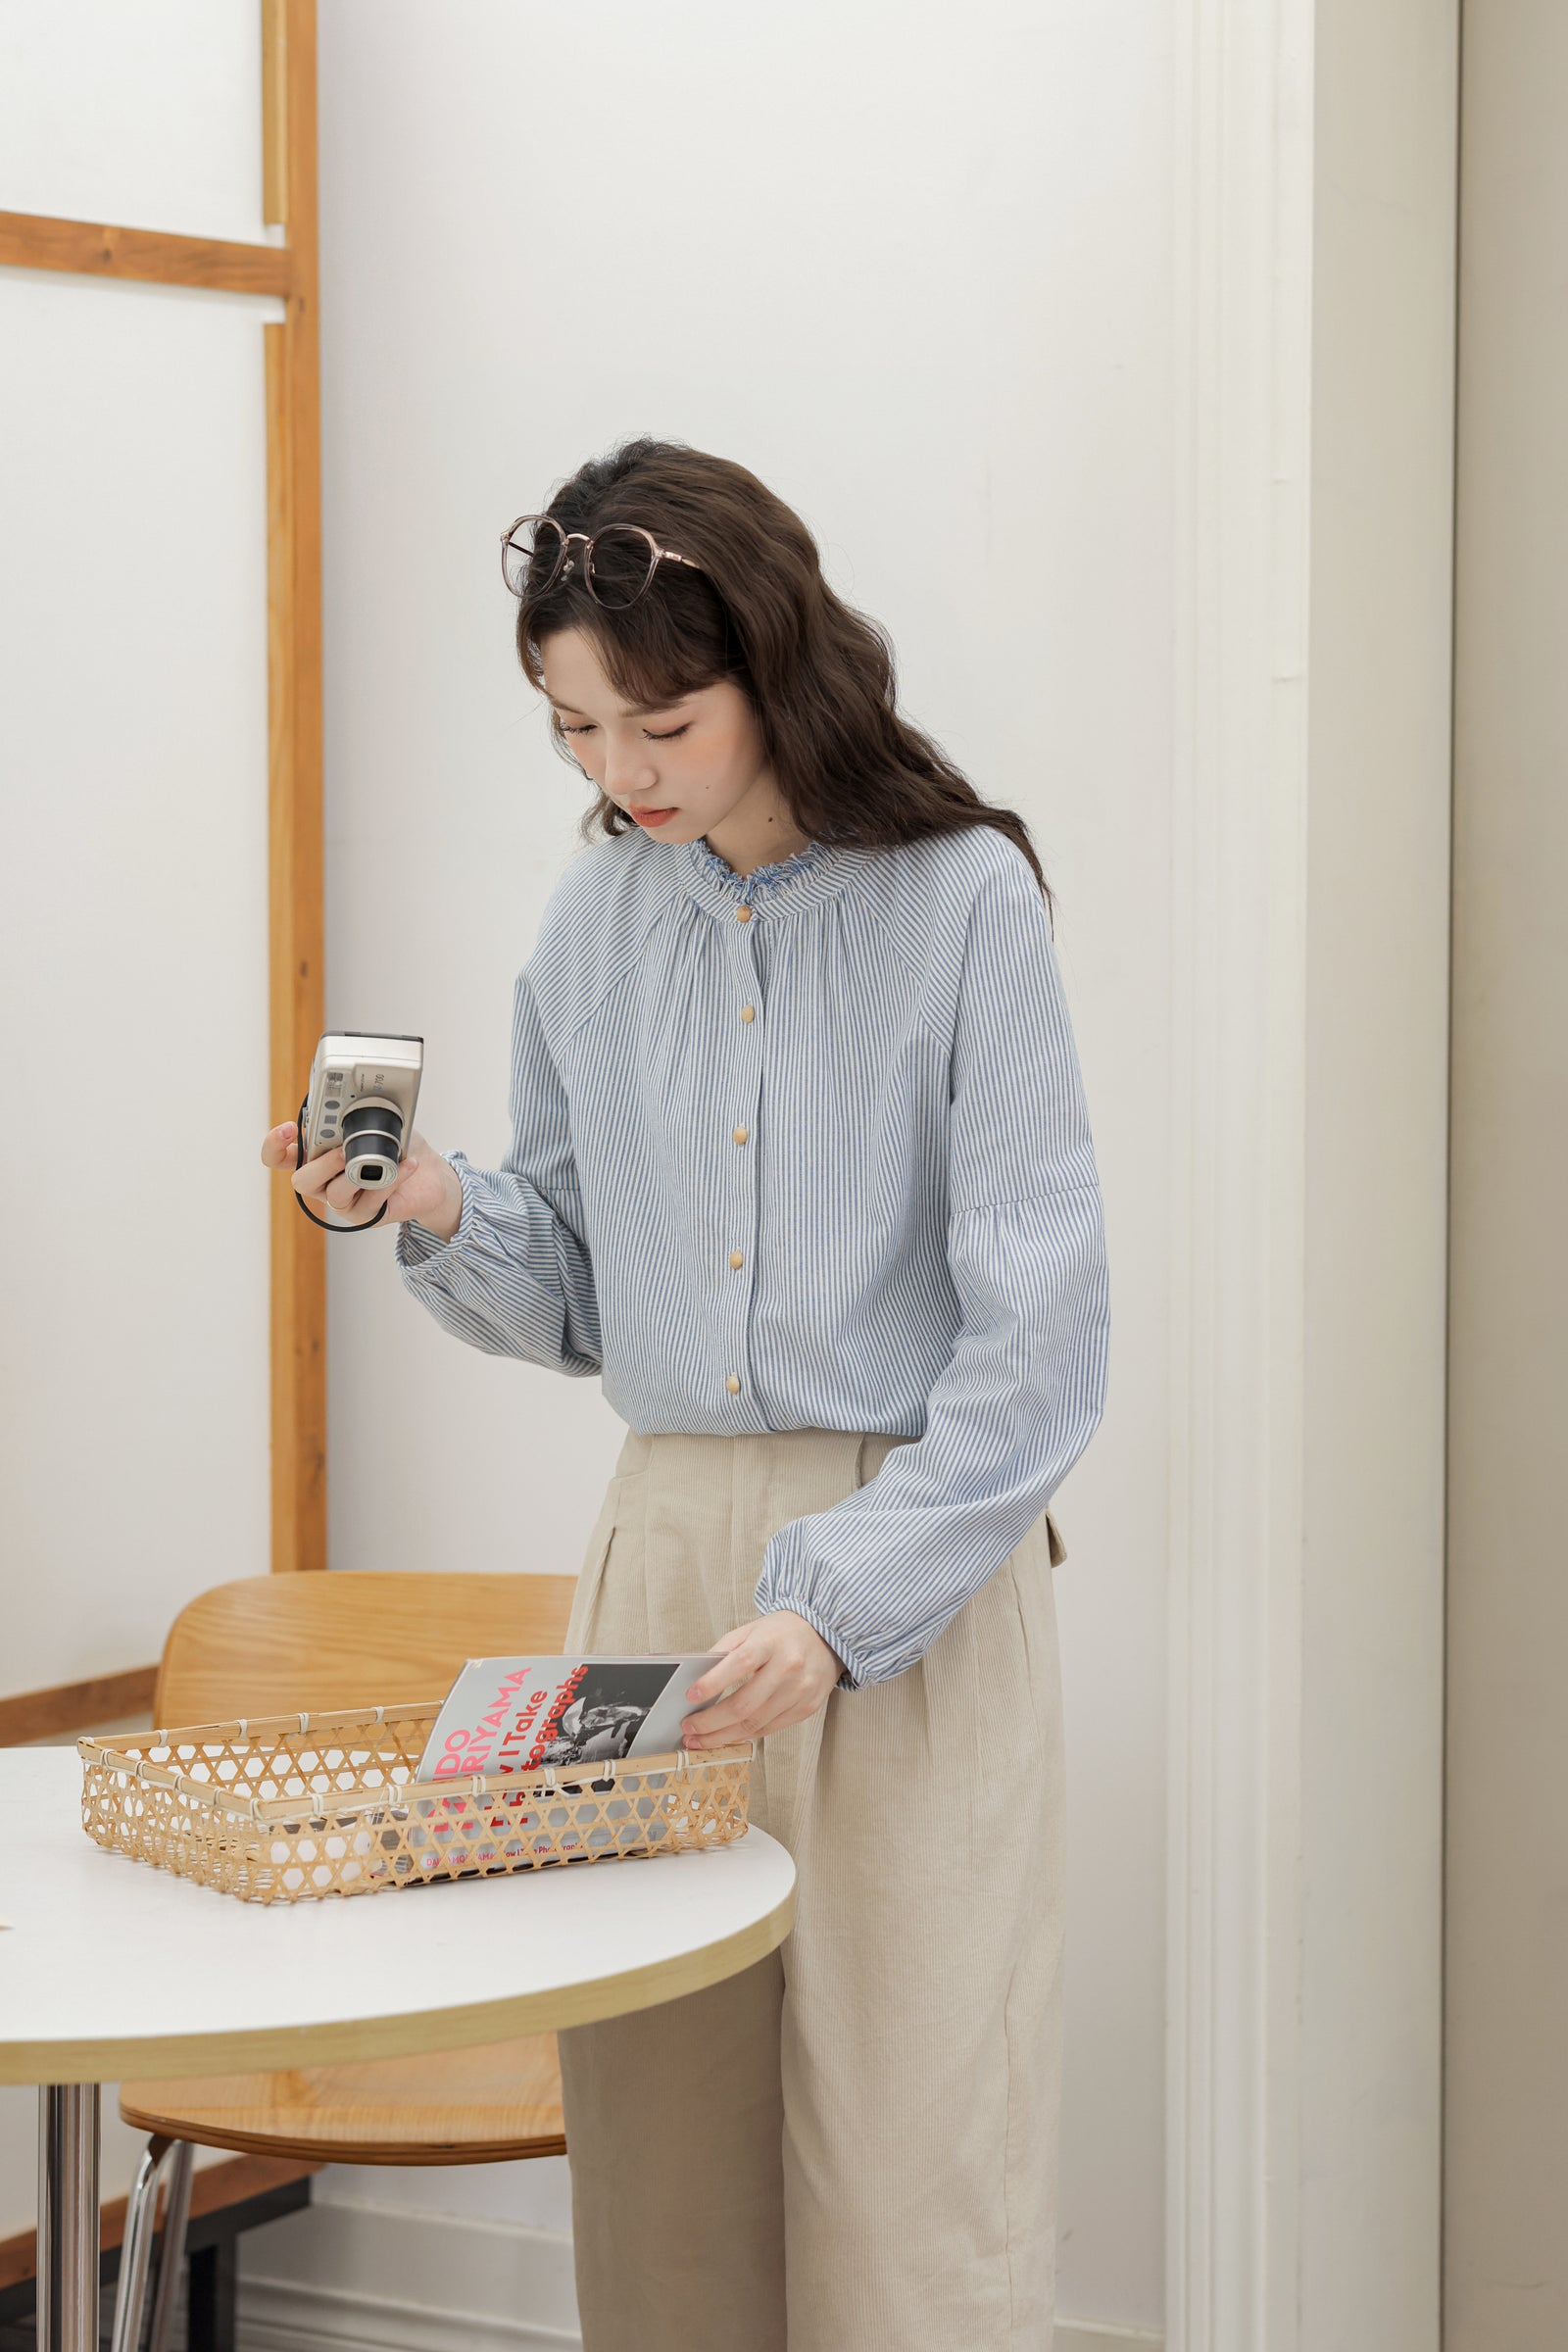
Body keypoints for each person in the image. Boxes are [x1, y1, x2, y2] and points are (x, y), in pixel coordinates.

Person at [260, 437, 1109, 2352]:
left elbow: (1041, 1328)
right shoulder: (586, 926)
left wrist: (838, 1602)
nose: (619, 776)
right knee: (656, 2160)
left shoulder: (960, 901)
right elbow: (572, 1295)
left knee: (914, 2173)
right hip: (657, 1565)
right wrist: (434, 1198)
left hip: (911, 1559)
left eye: (660, 722)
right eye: (573, 731)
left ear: (776, 664)